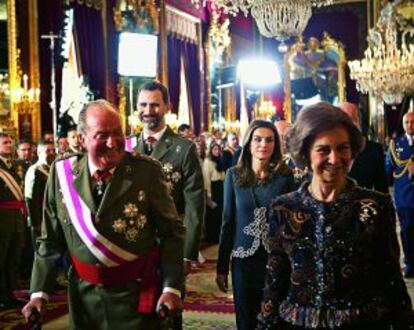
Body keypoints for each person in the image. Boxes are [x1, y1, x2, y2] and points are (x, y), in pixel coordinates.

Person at [21, 100, 185, 329]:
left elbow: (172, 233)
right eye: (101, 135)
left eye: (117, 132)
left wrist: (171, 288)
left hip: (136, 298)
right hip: (83, 302)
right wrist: (39, 293)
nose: (113, 142)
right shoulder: (61, 175)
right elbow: (50, 241)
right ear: (82, 138)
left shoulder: (146, 172)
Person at [257, 102, 412, 330]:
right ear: (306, 152)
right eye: (323, 150)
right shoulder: (283, 209)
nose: (335, 158)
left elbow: (390, 279)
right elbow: (274, 281)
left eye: (343, 148)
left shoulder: (375, 206)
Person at [133, 81, 205, 330]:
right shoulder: (127, 147)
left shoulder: (184, 149)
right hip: (132, 244)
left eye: (154, 104)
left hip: (169, 245)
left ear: (167, 107)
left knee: (168, 312)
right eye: (143, 104)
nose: (148, 110)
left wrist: (187, 252)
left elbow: (195, 204)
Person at [216, 120, 295, 330]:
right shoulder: (233, 175)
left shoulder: (285, 177)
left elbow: (292, 224)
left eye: (269, 140)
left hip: (276, 261)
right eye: (258, 139)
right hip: (243, 262)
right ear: (248, 143)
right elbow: (227, 222)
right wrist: (221, 267)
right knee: (246, 320)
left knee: (275, 320)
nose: (263, 144)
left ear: (275, 145)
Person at [385, 111, 414, 278]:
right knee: (407, 232)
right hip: (405, 198)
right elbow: (388, 172)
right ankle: (410, 264)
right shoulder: (396, 145)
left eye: (413, 122)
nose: (410, 125)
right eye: (407, 122)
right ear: (403, 124)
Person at [0, 133, 26, 311]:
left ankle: (10, 293)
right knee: (1, 258)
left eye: (10, 142)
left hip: (17, 217)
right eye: (4, 142)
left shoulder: (17, 165)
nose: (9, 145)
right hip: (2, 219)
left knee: (13, 258)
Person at [339, 102, 389, 193]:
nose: (345, 125)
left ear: (358, 121)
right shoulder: (331, 151)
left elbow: (383, 191)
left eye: (350, 120)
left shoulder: (374, 150)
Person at [203, 142, 225, 244]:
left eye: (218, 150)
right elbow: (206, 179)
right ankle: (212, 237)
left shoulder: (219, 161)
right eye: (215, 149)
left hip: (221, 189)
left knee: (220, 214)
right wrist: (209, 194)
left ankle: (219, 235)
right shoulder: (208, 162)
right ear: (211, 151)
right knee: (213, 214)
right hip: (213, 190)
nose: (217, 151)